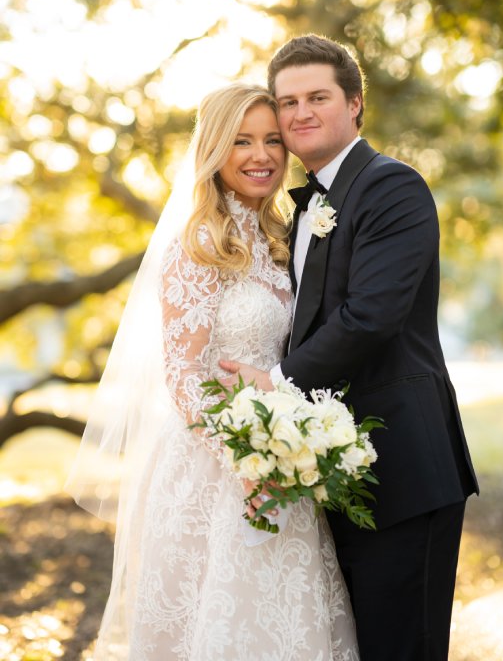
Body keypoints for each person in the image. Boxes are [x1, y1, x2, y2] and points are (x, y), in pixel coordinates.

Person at [66, 82, 358, 660]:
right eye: (241, 141)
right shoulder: (197, 242)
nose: (261, 155)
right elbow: (183, 376)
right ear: (214, 150)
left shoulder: (281, 238)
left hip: (281, 461)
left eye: (273, 140)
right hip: (213, 468)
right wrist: (247, 458)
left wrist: (284, 450)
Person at [220, 35, 480, 661]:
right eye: (288, 102)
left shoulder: (392, 187)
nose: (300, 113)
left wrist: (275, 384)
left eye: (318, 97)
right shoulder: (301, 209)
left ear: (355, 104)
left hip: (404, 465)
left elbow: (372, 317)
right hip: (335, 470)